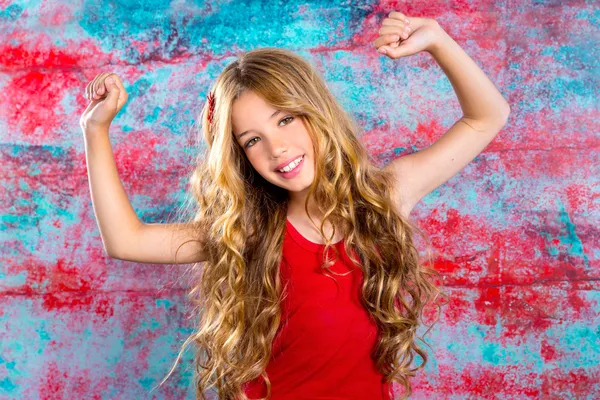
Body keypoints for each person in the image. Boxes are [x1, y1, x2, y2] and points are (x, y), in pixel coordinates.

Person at [80, 10, 510, 400]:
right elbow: (126, 239)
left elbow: (486, 117)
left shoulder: (385, 197)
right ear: (242, 157)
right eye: (252, 140)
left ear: (316, 111)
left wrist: (436, 39)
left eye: (285, 119)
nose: (277, 148)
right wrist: (95, 130)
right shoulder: (247, 232)